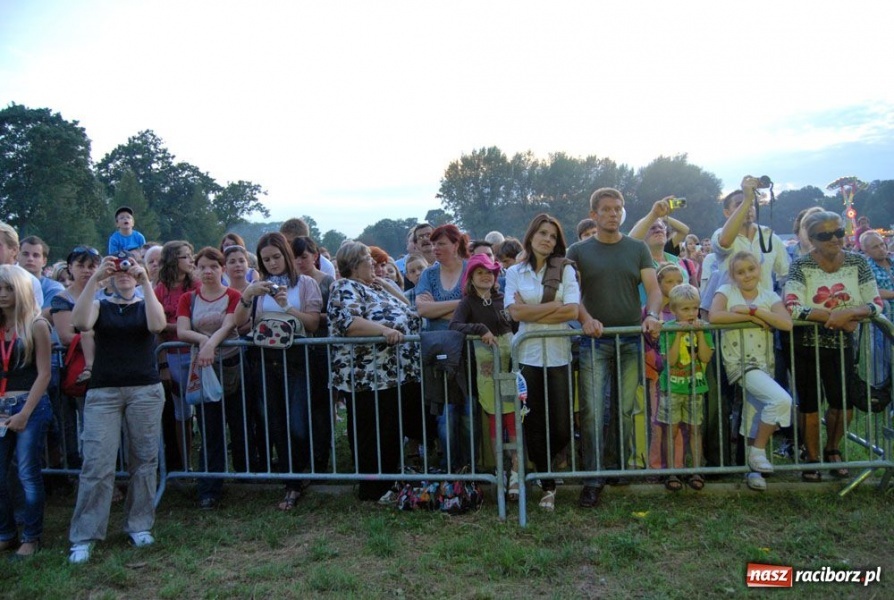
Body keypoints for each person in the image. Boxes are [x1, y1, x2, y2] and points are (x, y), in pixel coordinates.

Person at [566, 187, 661, 509]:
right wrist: (585, 319)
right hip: (595, 341)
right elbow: (570, 293)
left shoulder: (637, 248)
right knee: (593, 411)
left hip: (631, 340)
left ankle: (615, 467)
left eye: (617, 208)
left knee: (623, 408)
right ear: (593, 214)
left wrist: (654, 314)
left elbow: (654, 288)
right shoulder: (578, 250)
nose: (612, 213)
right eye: (605, 209)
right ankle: (593, 478)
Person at [68, 253, 166, 564]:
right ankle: (84, 535)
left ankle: (139, 524)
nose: (124, 273)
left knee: (144, 460)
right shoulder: (100, 303)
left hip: (145, 390)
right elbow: (80, 322)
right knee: (97, 463)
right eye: (118, 268)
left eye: (129, 267)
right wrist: (96, 278)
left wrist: (145, 281)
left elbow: (157, 324)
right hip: (104, 390)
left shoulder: (143, 301)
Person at [783, 211, 883, 482]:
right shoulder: (801, 265)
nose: (835, 239)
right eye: (825, 235)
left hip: (841, 345)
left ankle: (833, 449)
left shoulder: (858, 263)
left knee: (843, 402)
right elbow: (792, 305)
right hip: (804, 344)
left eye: (839, 232)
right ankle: (812, 456)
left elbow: (875, 303)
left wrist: (849, 315)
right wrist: (836, 317)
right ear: (812, 239)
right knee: (810, 404)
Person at [232, 232, 321, 510]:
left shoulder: (305, 284)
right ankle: (291, 484)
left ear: (286, 254)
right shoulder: (258, 287)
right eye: (265, 259)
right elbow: (240, 324)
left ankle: (304, 471)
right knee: (276, 424)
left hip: (297, 361)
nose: (271, 263)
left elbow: (314, 323)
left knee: (297, 423)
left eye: (276, 257)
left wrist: (288, 307)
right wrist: (247, 296)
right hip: (264, 361)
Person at [328, 241, 422, 501]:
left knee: (391, 431)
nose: (374, 263)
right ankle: (373, 488)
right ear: (354, 263)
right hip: (367, 376)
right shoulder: (344, 286)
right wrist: (384, 331)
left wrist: (391, 287)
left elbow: (412, 313)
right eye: (368, 258)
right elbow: (349, 322)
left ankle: (390, 483)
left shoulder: (378, 287)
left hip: (395, 374)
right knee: (372, 432)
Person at [505, 214, 580, 511]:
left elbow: (572, 311)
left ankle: (541, 469)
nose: (547, 239)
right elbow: (514, 314)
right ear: (531, 235)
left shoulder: (565, 270)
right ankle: (547, 483)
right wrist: (553, 308)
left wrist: (531, 309)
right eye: (542, 233)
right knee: (531, 420)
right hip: (527, 357)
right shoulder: (515, 272)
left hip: (558, 355)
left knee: (561, 425)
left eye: (552, 235)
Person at [710, 251, 793, 491]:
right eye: (740, 271)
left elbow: (785, 323)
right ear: (733, 276)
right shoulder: (726, 291)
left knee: (754, 414)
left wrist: (754, 312)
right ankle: (757, 452)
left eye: (751, 269)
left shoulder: (769, 296)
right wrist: (752, 317)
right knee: (780, 400)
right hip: (740, 362)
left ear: (759, 270)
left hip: (764, 363)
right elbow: (715, 315)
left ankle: (753, 472)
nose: (747, 275)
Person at [176, 247, 245, 510]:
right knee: (209, 428)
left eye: (213, 266)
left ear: (222, 269)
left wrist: (210, 344)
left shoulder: (233, 295)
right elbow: (183, 330)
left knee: (239, 424)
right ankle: (209, 488)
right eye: (202, 266)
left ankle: (246, 476)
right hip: (204, 369)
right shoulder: (188, 299)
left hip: (232, 365)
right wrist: (204, 341)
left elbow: (229, 324)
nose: (207, 271)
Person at [449, 254, 517, 500]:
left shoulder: (503, 299)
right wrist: (479, 329)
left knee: (513, 418)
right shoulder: (467, 303)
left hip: (511, 369)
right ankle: (500, 473)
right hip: (486, 372)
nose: (487, 276)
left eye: (491, 272)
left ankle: (517, 476)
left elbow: (517, 325)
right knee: (494, 419)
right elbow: (454, 326)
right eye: (480, 272)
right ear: (471, 278)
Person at [0, 265, 53, 559]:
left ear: (20, 290)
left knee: (27, 473)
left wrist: (24, 413)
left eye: (8, 288)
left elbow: (44, 374)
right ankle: (6, 532)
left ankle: (32, 536)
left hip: (29, 405)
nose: (3, 295)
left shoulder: (36, 325)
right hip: (1, 405)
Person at [415, 224, 471, 468]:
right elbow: (423, 310)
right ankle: (451, 471)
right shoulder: (428, 274)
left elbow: (477, 313)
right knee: (445, 418)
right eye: (432, 244)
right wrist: (462, 304)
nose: (435, 248)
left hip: (469, 352)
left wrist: (440, 309)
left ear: (456, 245)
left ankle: (471, 471)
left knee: (469, 415)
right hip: (439, 354)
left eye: (441, 243)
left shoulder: (471, 270)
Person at [658, 284, 714, 492]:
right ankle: (671, 472)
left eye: (694, 308)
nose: (691, 314)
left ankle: (696, 471)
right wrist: (680, 336)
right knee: (670, 431)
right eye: (685, 309)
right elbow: (670, 361)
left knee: (695, 430)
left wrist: (699, 334)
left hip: (695, 387)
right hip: (672, 388)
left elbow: (706, 357)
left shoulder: (703, 328)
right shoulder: (668, 329)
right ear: (673, 310)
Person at [292, 236, 336, 473]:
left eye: (304, 257)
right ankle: (303, 456)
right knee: (300, 406)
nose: (299, 262)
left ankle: (321, 459)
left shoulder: (328, 282)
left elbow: (335, 315)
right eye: (295, 257)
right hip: (297, 350)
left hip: (320, 349)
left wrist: (307, 316)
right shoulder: (291, 284)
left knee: (320, 406)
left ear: (315, 256)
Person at [154, 241, 200, 471]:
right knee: (181, 413)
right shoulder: (160, 289)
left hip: (197, 354)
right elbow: (156, 326)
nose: (191, 260)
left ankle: (207, 466)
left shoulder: (197, 285)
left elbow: (199, 321)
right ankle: (184, 465)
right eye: (185, 256)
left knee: (203, 410)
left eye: (191, 256)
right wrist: (181, 328)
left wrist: (174, 327)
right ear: (173, 260)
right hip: (171, 355)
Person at [18, 235, 64, 316]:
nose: (30, 259)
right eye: (25, 254)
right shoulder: (6, 284)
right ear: (17, 257)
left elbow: (42, 319)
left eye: (36, 255)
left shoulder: (54, 289)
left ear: (44, 261)